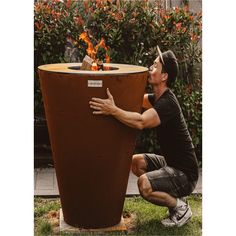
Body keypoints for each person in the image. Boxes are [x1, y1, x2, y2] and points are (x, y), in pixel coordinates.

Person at [89, 47, 199, 227]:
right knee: (135, 162)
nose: (150, 68)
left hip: (185, 174)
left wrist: (112, 110)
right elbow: (133, 100)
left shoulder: (167, 104)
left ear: (164, 76)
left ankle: (180, 207)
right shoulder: (157, 98)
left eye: (155, 66)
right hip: (171, 164)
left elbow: (140, 121)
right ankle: (174, 201)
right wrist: (105, 79)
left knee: (144, 184)